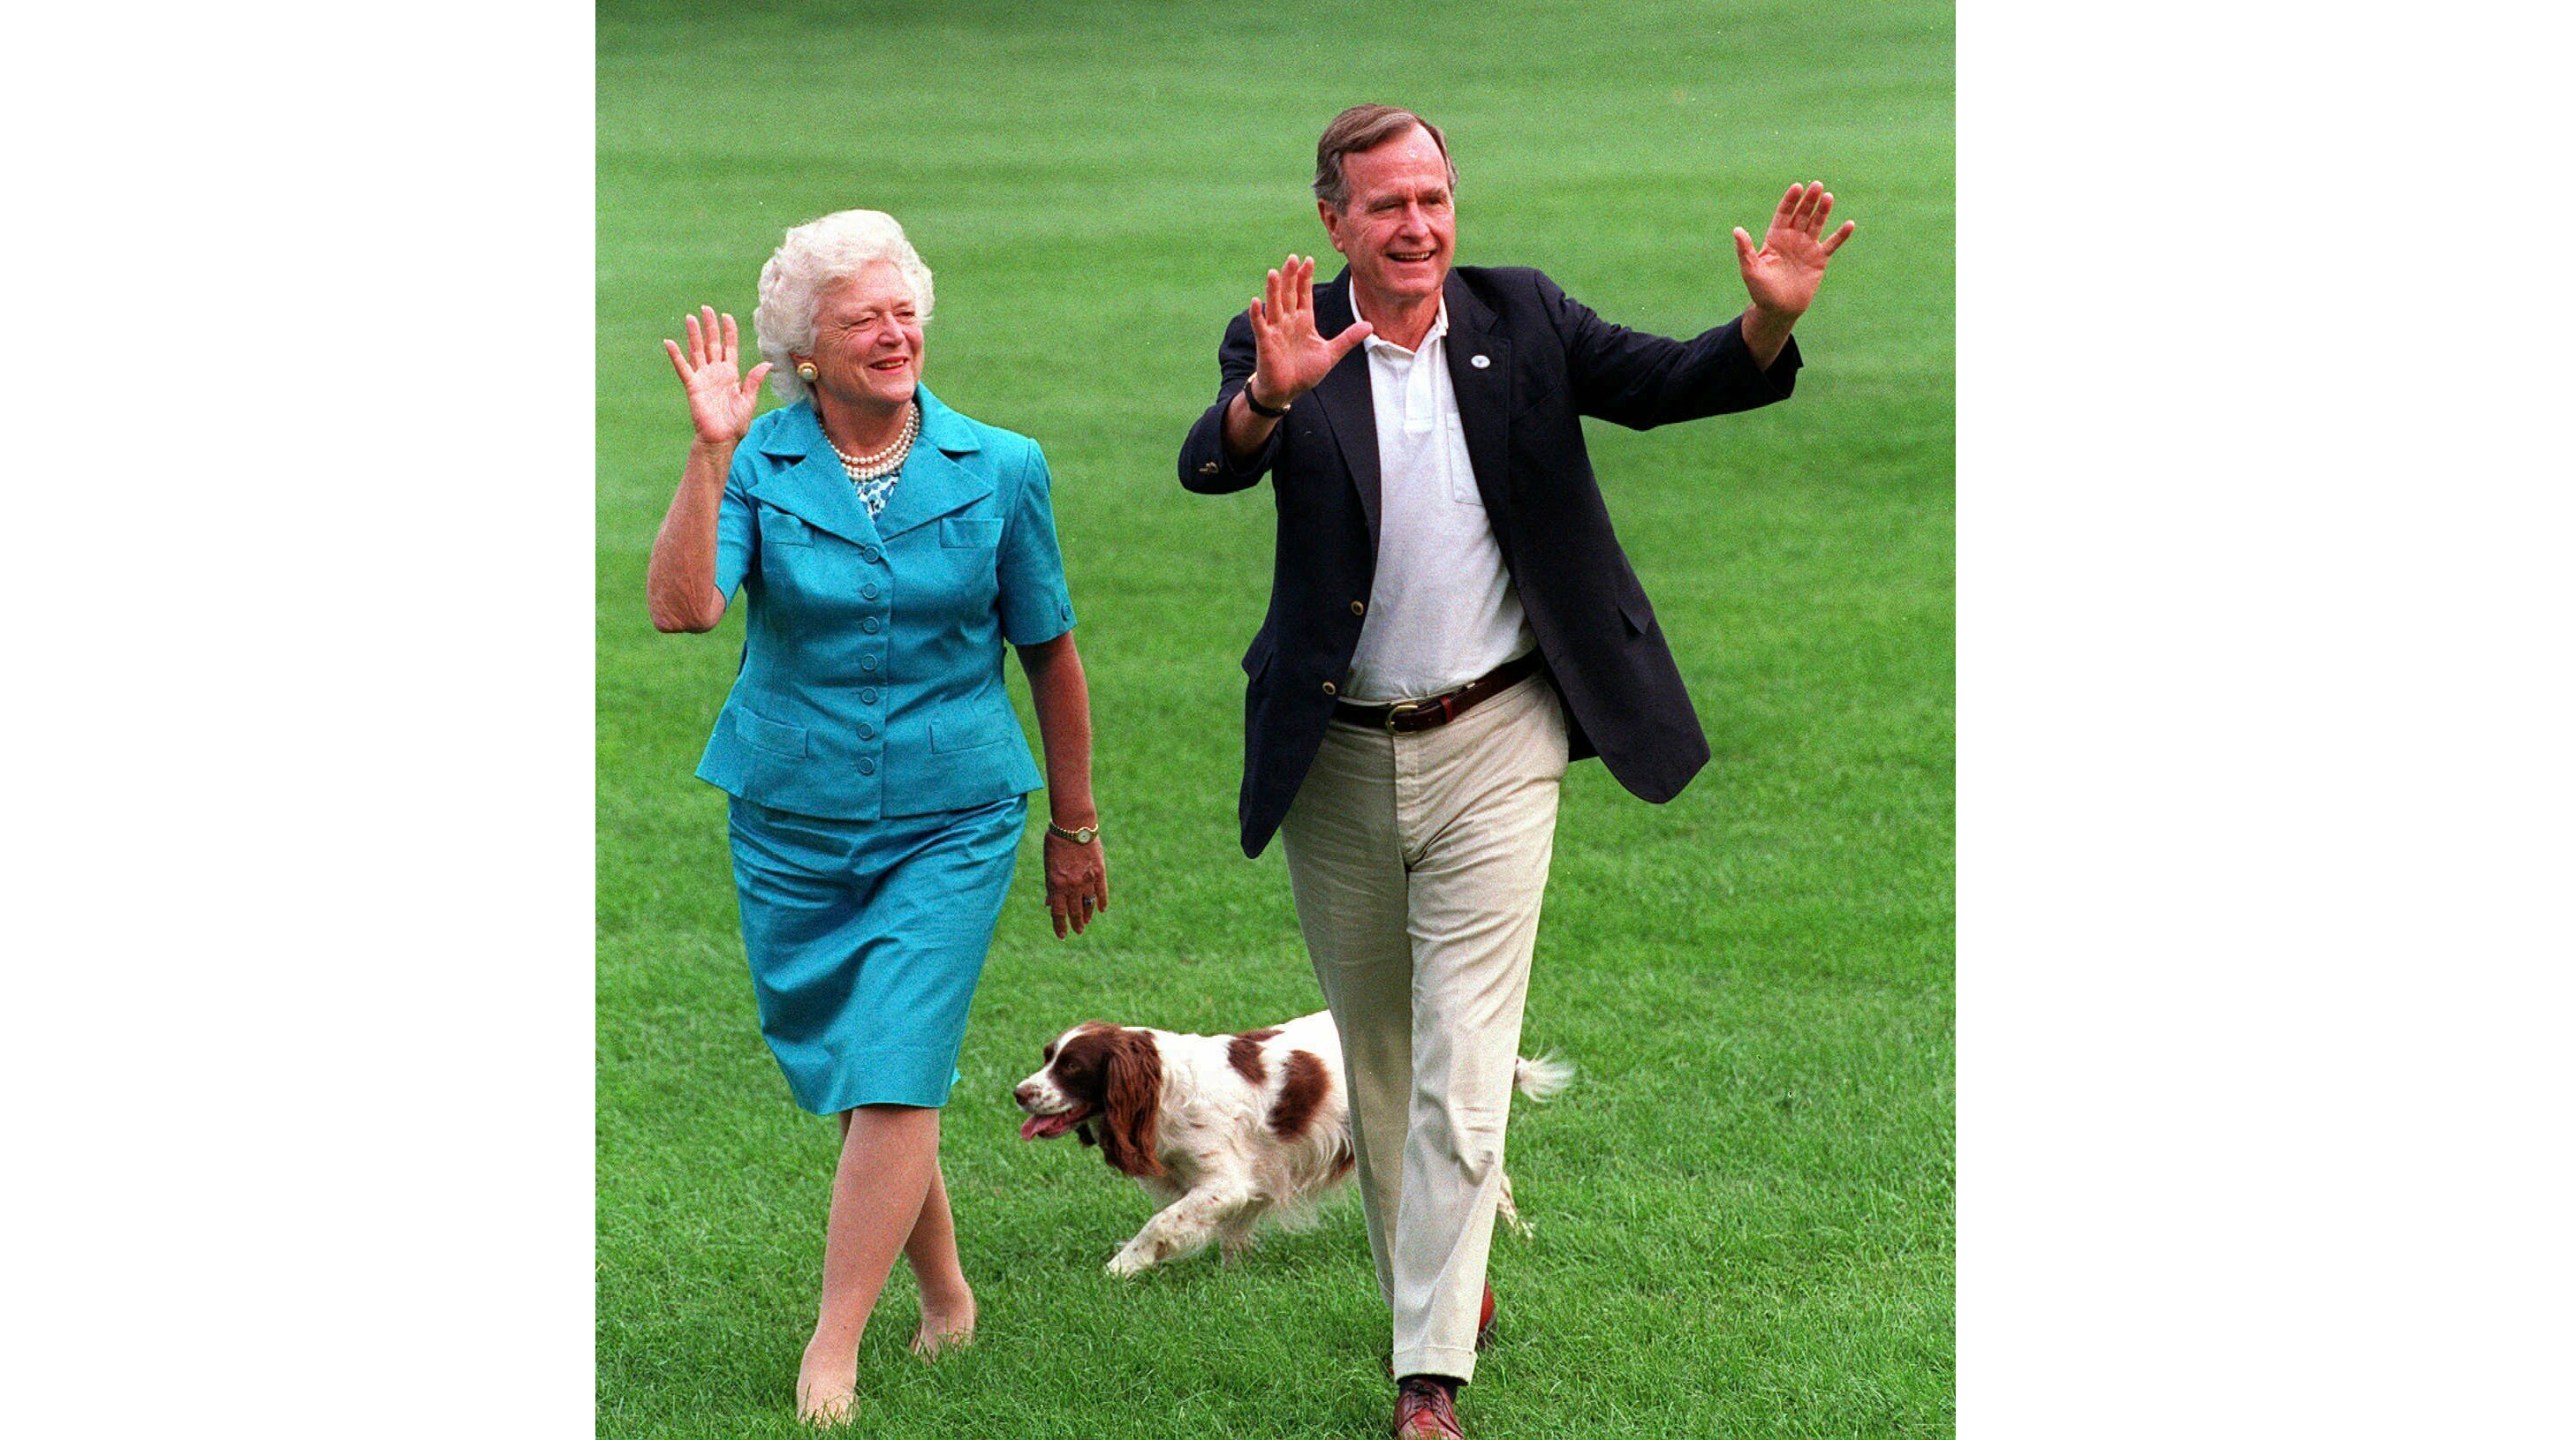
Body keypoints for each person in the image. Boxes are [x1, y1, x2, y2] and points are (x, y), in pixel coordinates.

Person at [1175, 105, 1852, 1439]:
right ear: (1335, 222)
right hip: (1339, 754)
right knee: (1378, 1060)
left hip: (1500, 733)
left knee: (1463, 1055)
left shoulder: (1522, 315)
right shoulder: (1289, 334)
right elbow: (1212, 459)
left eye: (1433, 198)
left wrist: (1767, 321)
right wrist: (1270, 394)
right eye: (1386, 207)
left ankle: (1428, 1374)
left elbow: (1671, 382)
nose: (1417, 225)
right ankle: (1445, 1277)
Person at [648, 209, 1108, 1428]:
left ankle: (833, 1349)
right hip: (791, 815)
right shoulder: (758, 462)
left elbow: (1049, 653)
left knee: (899, 1067)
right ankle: (948, 1293)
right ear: (807, 348)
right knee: (865, 1074)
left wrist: (1074, 824)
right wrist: (707, 456)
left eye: (905, 312)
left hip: (953, 814)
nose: (893, 334)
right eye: (862, 319)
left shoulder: (1001, 465)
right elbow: (686, 610)